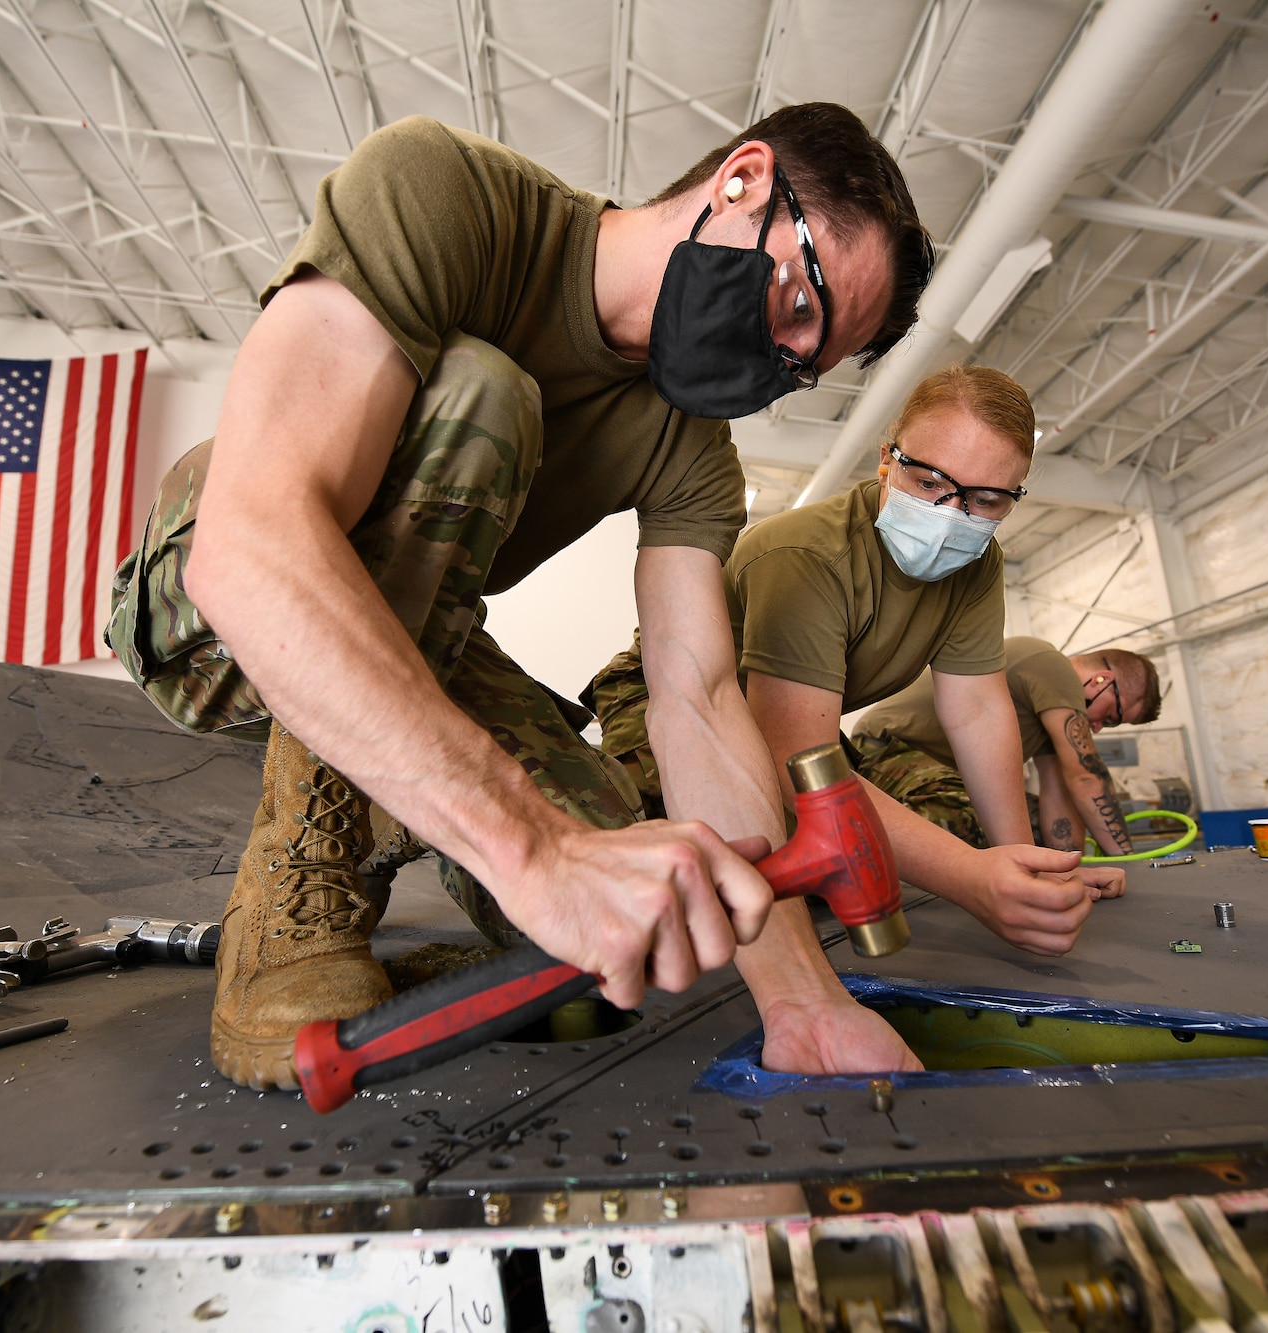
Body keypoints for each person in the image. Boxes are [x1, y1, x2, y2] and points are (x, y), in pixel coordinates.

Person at [106, 104, 935, 1089]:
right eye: (798, 307)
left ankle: (415, 839)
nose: (776, 365)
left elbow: (697, 700)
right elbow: (252, 542)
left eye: (805, 366)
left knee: (627, 905)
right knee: (483, 390)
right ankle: (300, 893)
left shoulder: (694, 456)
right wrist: (530, 850)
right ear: (743, 181)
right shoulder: (446, 193)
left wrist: (801, 1003)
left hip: (419, 642)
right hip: (202, 612)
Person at [588, 366, 1120, 1024]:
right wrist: (969, 879)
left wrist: (1016, 869)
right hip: (671, 691)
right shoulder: (808, 554)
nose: (953, 513)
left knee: (891, 847)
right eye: (929, 482)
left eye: (986, 499)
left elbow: (978, 710)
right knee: (644, 854)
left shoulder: (978, 567)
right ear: (884, 462)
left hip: (783, 720)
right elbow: (792, 754)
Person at [852, 641, 1162, 857]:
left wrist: (1065, 870)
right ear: (1101, 681)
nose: (1096, 728)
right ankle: (839, 850)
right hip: (889, 747)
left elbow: (1057, 798)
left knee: (1032, 828)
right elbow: (1087, 776)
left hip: (936, 772)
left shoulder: (1046, 717)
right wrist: (1128, 861)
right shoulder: (1053, 665)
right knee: (964, 817)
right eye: (1109, 718)